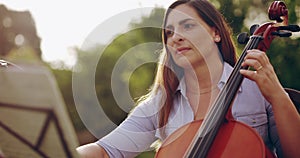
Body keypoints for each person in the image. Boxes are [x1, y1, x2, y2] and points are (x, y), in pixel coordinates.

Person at [76, 0, 300, 157]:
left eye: (188, 26)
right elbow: (105, 151)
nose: (176, 38)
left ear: (216, 33)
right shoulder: (161, 104)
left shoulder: (257, 87)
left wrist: (277, 95)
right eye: (169, 33)